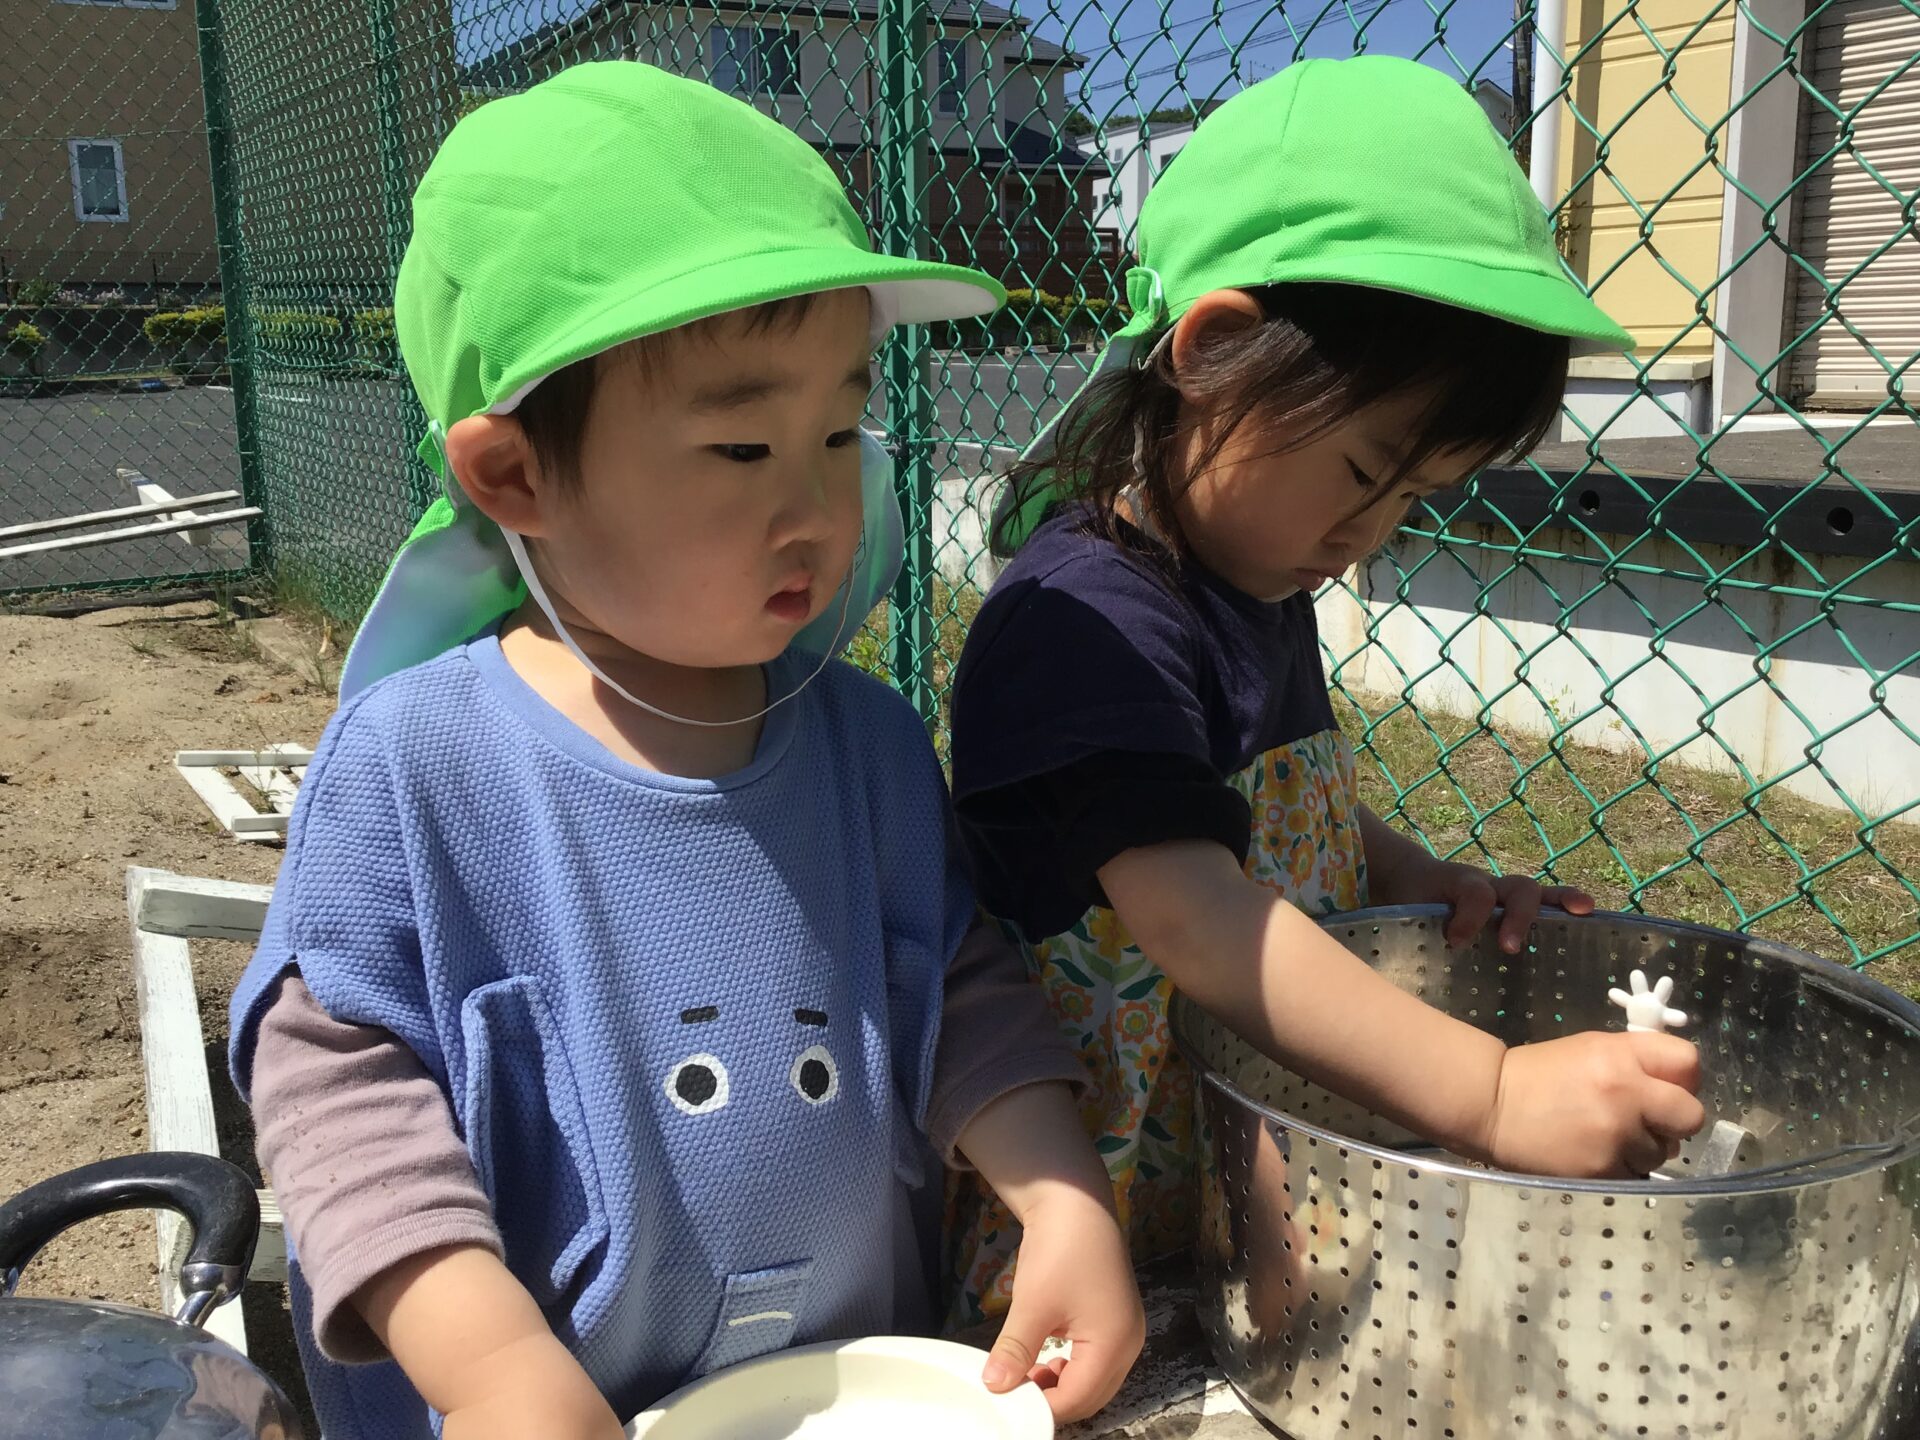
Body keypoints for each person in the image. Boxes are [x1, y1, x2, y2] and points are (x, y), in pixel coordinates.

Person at [227, 62, 1144, 1440]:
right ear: (515, 478)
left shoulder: (868, 750)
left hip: (834, 1400)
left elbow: (961, 990)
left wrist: (1060, 1193)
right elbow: (335, 1091)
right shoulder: (420, 766)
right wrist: (489, 1371)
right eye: (737, 445)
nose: (817, 507)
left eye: (841, 431)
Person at [943, 55, 1707, 1321]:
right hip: (1108, 1189)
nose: (1373, 529)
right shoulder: (1085, 625)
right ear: (1214, 354)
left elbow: (1249, 811)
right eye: (1363, 469)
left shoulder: (1255, 578)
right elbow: (1195, 915)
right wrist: (1495, 1093)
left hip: (1242, 1142)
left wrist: (1413, 875)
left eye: (1414, 495)